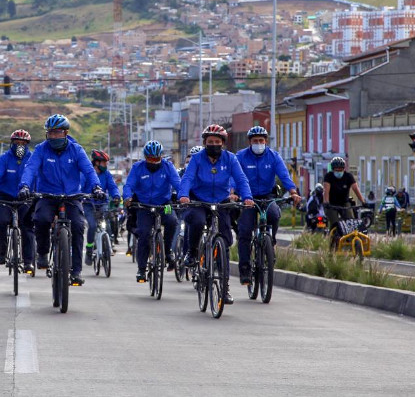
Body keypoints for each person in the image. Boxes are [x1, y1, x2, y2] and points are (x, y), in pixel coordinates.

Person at [18, 114, 104, 287]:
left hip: (72, 197)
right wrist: (25, 186)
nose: (54, 136)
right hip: (47, 195)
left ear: (65, 132)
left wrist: (96, 187)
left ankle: (76, 271)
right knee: (41, 220)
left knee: (79, 226)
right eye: (50, 133)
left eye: (57, 132)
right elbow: (31, 169)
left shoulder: (76, 150)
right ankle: (42, 253)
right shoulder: (41, 149)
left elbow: (89, 171)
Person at [178, 124, 253, 305]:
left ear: (223, 143)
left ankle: (224, 290)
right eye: (210, 142)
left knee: (225, 242)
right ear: (205, 143)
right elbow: (187, 178)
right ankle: (193, 252)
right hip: (199, 200)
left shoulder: (230, 159)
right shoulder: (197, 159)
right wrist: (183, 195)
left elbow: (241, 178)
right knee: (196, 221)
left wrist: (247, 197)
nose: (214, 144)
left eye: (217, 141)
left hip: (221, 200)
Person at [234, 126, 301, 286]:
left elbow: (284, 175)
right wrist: (232, 192)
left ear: (265, 141)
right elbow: (233, 175)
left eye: (261, 141)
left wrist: (293, 192)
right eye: (255, 141)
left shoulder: (273, 156)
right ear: (250, 142)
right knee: (245, 231)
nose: (258, 143)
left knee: (274, 214)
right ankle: (244, 269)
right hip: (247, 197)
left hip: (267, 195)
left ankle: (270, 242)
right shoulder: (241, 156)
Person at [123, 141, 180, 283]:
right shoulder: (137, 168)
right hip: (144, 206)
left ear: (161, 157)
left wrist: (184, 196)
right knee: (144, 233)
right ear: (145, 157)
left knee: (172, 221)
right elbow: (129, 185)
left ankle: (168, 252)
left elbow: (178, 183)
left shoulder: (168, 166)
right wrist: (127, 197)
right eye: (150, 158)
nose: (153, 162)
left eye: (156, 159)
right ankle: (142, 269)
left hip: (164, 204)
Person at [0, 129, 34, 271]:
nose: (20, 146)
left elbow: (37, 177)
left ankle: (28, 260)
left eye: (23, 143)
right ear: (11, 143)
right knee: (0, 222)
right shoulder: (5, 158)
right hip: (5, 197)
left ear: (27, 145)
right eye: (17, 142)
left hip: (25, 197)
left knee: (27, 228)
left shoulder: (32, 159)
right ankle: (2, 250)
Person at [82, 149, 121, 267]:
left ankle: (108, 245)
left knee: (107, 225)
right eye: (104, 162)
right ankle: (89, 250)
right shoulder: (86, 173)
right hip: (88, 204)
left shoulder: (107, 174)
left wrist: (116, 196)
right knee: (93, 226)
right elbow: (80, 187)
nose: (106, 165)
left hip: (102, 204)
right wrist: (82, 197)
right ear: (97, 162)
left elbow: (113, 187)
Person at [323, 156, 365, 244]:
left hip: (344, 202)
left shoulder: (348, 176)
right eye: (336, 170)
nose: (338, 171)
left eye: (340, 169)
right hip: (331, 204)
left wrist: (363, 201)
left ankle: (350, 241)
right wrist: (326, 202)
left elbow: (356, 189)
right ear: (333, 169)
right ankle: (333, 241)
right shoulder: (329, 176)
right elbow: (326, 191)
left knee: (350, 222)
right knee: (335, 223)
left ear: (344, 169)